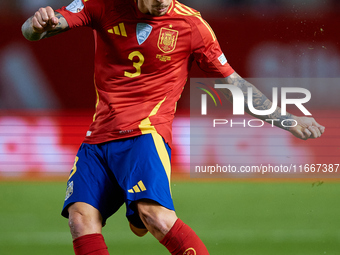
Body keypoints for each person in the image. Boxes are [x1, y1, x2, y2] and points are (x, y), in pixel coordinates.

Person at [21, 0, 325, 254]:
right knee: (80, 218)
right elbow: (34, 31)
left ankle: (138, 207)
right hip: (98, 137)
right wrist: (37, 25)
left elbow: (235, 86)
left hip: (144, 135)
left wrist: (289, 120)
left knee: (155, 217)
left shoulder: (192, 26)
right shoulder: (103, 4)